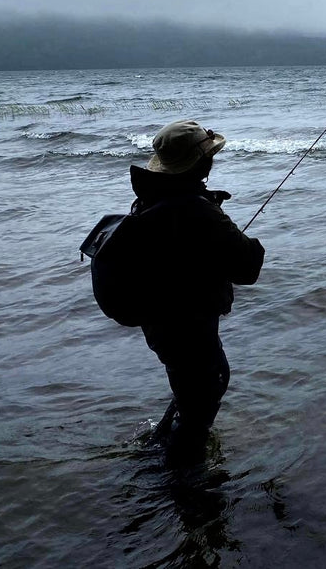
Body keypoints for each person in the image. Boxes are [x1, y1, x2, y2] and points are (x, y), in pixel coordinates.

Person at [130, 119, 264, 458]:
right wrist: (253, 246)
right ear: (202, 163)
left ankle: (158, 446)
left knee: (191, 388)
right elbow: (247, 268)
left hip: (161, 323)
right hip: (187, 324)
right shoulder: (196, 209)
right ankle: (184, 480)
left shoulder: (150, 200)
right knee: (207, 387)